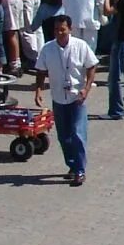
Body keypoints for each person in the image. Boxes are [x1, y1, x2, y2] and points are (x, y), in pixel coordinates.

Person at [34, 15, 97, 187]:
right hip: (58, 97)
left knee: (77, 133)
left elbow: (91, 66)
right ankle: (72, 165)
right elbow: (40, 71)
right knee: (64, 136)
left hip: (77, 98)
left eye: (62, 29)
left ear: (70, 29)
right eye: (56, 30)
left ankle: (80, 170)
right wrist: (39, 89)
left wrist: (87, 88)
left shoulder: (80, 46)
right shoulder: (47, 49)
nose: (59, 33)